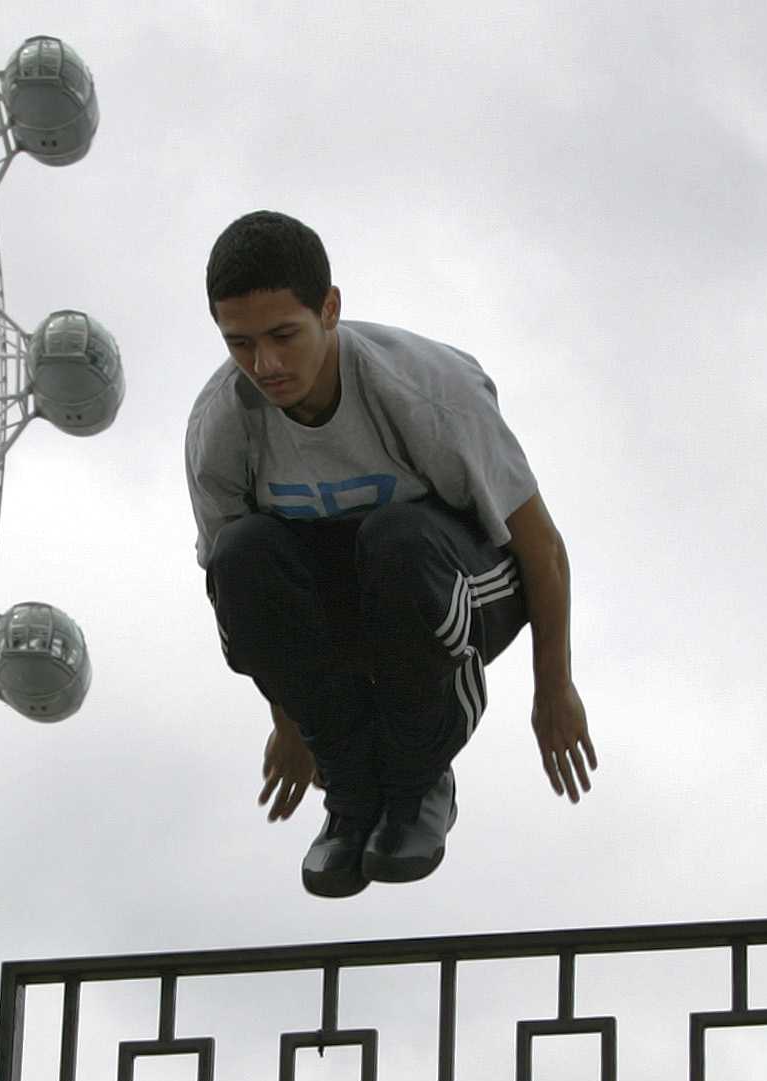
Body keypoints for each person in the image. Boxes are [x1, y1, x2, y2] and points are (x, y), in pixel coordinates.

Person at [186, 210, 595, 898]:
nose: (267, 366)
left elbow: (541, 548)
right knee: (239, 556)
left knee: (395, 540)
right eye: (241, 345)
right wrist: (291, 721)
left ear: (330, 309)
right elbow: (246, 600)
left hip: (457, 584)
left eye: (285, 336)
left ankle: (419, 777)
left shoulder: (427, 393)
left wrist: (552, 685)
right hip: (349, 607)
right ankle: (351, 795)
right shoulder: (222, 426)